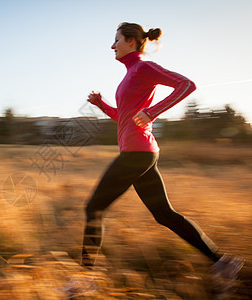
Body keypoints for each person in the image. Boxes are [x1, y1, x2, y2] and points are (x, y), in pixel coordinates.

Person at [81, 22, 243, 292]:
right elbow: (124, 118)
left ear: (131, 41)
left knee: (94, 208)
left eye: (116, 40)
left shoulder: (143, 67)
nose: (112, 46)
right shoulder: (131, 73)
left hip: (136, 153)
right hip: (141, 152)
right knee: (164, 214)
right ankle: (223, 262)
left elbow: (186, 85)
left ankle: (85, 280)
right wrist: (101, 105)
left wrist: (153, 112)